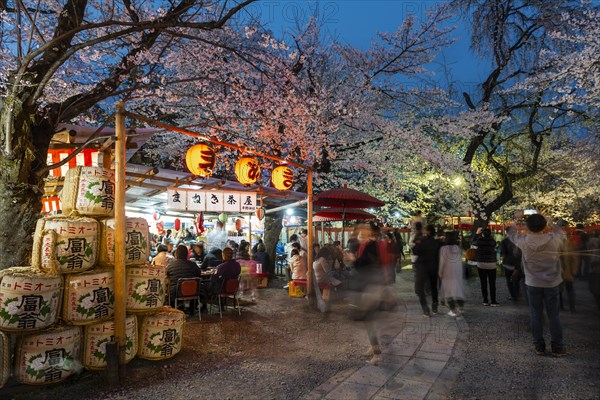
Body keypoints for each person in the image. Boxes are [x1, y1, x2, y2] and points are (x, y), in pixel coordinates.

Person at [509, 214, 566, 356]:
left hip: (532, 282)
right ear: (544, 226)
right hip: (552, 282)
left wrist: (516, 225)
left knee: (535, 314)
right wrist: (553, 224)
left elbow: (511, 234)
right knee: (554, 315)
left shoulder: (523, 241)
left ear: (528, 226)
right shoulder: (554, 240)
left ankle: (539, 345)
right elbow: (561, 233)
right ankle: (558, 347)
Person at [352, 222, 387, 365]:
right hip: (369, 286)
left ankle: (377, 354)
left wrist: (353, 261)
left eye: (363, 231)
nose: (360, 233)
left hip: (372, 286)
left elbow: (365, 265)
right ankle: (374, 347)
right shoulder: (368, 246)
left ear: (369, 233)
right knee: (369, 320)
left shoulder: (372, 246)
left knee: (369, 320)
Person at [412, 224, 441, 316]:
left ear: (428, 232)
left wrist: (417, 243)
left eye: (425, 230)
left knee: (420, 288)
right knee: (433, 287)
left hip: (422, 267)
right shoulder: (437, 242)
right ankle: (435, 304)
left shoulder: (422, 241)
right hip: (433, 266)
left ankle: (425, 308)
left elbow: (415, 251)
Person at [166, 244, 201, 312]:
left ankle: (173, 310)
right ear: (187, 254)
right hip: (193, 292)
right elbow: (199, 274)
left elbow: (166, 275)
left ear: (176, 254)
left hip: (176, 292)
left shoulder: (170, 265)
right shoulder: (193, 264)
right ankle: (192, 309)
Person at [438, 231, 466, 317]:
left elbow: (442, 262)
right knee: (458, 290)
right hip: (457, 271)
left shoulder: (444, 249)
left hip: (447, 272)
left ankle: (453, 310)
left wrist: (440, 272)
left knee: (448, 291)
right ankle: (461, 308)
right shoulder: (458, 248)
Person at [473, 227, 499, 306]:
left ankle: (485, 300)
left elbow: (473, 242)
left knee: (483, 282)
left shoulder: (479, 241)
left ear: (482, 234)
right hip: (491, 264)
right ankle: (493, 301)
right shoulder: (493, 242)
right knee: (492, 283)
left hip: (481, 264)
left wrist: (477, 234)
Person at [500, 228, 523, 301]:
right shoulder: (520, 241)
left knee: (509, 280)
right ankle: (517, 293)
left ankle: (513, 295)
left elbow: (503, 254)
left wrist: (501, 262)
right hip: (519, 263)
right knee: (517, 279)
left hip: (508, 263)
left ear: (507, 232)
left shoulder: (504, 241)